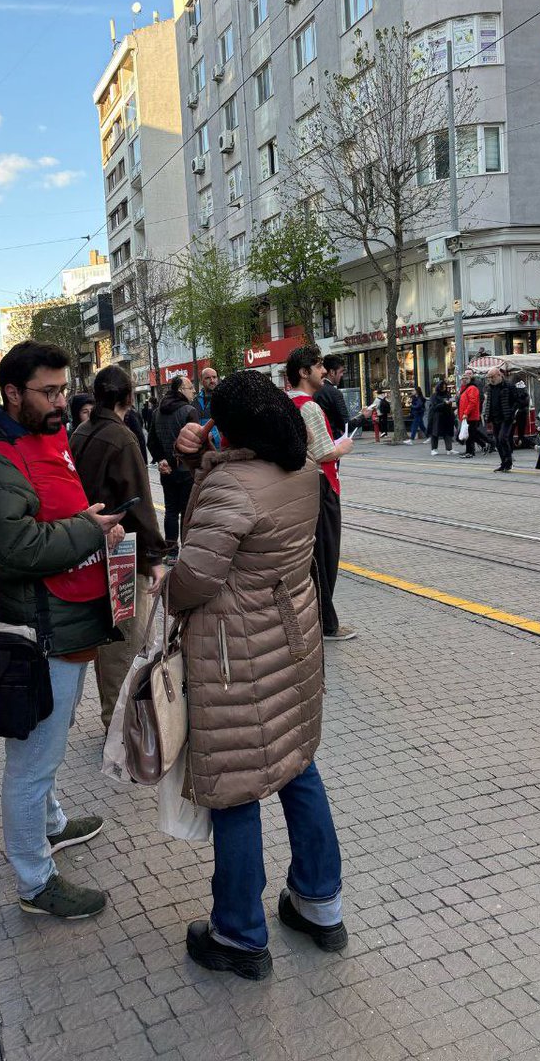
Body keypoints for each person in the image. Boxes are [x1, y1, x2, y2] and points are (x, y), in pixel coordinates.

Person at [170, 370, 346, 980]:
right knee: (299, 767)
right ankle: (320, 904)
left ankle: (240, 936)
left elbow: (193, 579)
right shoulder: (299, 472)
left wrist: (204, 474)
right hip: (291, 644)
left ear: (232, 427)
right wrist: (202, 463)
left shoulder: (232, 485)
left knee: (236, 786)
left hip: (232, 658)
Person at [0, 341, 125, 919]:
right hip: (40, 634)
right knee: (31, 764)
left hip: (68, 626)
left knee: (43, 756)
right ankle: (34, 881)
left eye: (62, 388)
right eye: (48, 392)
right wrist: (88, 530)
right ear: (12, 393)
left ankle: (50, 826)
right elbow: (13, 548)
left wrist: (96, 530)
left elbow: (56, 520)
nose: (62, 401)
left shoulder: (47, 440)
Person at [71, 365, 167, 730]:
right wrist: (156, 558)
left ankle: (116, 720)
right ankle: (119, 728)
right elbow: (139, 503)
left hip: (90, 548)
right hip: (124, 554)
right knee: (124, 642)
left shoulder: (81, 431)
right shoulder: (121, 437)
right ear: (129, 397)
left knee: (114, 642)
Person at [286, 346, 356, 643]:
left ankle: (316, 617)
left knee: (311, 555)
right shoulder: (309, 406)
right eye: (317, 366)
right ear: (304, 372)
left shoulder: (286, 402)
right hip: (321, 486)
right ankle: (327, 623)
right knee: (326, 556)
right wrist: (343, 446)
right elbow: (324, 451)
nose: (324, 371)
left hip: (300, 489)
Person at [148, 374, 201, 552]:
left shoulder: (157, 412)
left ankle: (171, 550)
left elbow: (151, 441)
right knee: (187, 512)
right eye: (190, 387)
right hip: (186, 470)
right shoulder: (189, 411)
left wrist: (162, 460)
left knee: (170, 510)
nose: (194, 390)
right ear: (180, 390)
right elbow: (195, 443)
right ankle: (186, 550)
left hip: (166, 471)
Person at [484, 368, 515, 473]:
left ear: (499, 375)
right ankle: (503, 463)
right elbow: (489, 402)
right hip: (494, 417)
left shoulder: (508, 385)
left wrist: (512, 411)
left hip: (506, 418)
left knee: (502, 438)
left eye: (492, 377)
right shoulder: (490, 387)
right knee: (497, 441)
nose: (491, 379)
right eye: (489, 378)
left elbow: (519, 399)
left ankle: (508, 461)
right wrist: (487, 414)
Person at [314, 355, 351, 440]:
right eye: (341, 371)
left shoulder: (314, 389)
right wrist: (363, 416)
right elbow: (346, 425)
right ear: (332, 372)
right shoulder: (334, 393)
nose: (342, 375)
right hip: (332, 440)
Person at [457, 373, 486, 458]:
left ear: (470, 379)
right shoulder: (465, 388)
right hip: (466, 416)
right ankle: (469, 451)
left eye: (466, 378)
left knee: (470, 435)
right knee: (469, 435)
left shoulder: (472, 388)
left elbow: (472, 402)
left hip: (471, 416)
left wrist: (466, 413)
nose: (464, 380)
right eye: (462, 378)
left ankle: (471, 452)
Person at [426, 381, 455, 455]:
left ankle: (449, 449)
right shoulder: (434, 395)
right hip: (437, 417)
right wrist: (444, 403)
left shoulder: (447, 394)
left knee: (447, 433)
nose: (444, 388)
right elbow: (434, 406)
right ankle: (434, 449)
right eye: (443, 387)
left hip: (447, 416)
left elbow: (449, 403)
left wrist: (450, 402)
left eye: (445, 387)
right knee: (435, 433)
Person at [195, 367, 221, 450]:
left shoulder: (223, 399)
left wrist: (213, 436)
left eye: (214, 377)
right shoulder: (195, 401)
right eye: (208, 378)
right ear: (202, 381)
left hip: (219, 449)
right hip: (200, 448)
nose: (212, 380)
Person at [512, 379, 530, 448]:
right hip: (519, 413)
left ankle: (520, 442)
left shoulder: (523, 395)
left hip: (520, 413)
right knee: (519, 430)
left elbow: (524, 403)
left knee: (520, 430)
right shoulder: (524, 395)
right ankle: (519, 441)